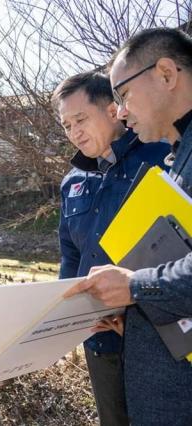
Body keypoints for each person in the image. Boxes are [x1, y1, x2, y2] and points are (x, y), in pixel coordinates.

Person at [64, 28, 192, 425]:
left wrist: (134, 287)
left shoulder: (161, 156)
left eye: (124, 95)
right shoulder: (179, 152)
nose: (121, 111)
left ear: (166, 74)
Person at [53, 71, 169, 425]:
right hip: (99, 340)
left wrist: (139, 315)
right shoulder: (73, 181)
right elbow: (70, 254)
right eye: (67, 125)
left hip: (154, 337)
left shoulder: (161, 157)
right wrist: (64, 315)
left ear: (112, 110)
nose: (74, 132)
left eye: (80, 119)